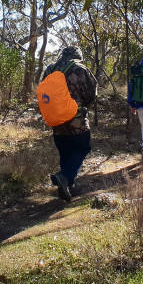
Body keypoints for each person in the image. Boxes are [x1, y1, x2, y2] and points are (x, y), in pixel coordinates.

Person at [41, 46, 98, 201]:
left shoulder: (50, 69)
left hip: (55, 119)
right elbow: (91, 93)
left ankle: (66, 185)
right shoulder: (79, 69)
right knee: (82, 147)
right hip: (75, 118)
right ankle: (65, 177)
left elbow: (42, 91)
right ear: (77, 56)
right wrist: (83, 104)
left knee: (65, 151)